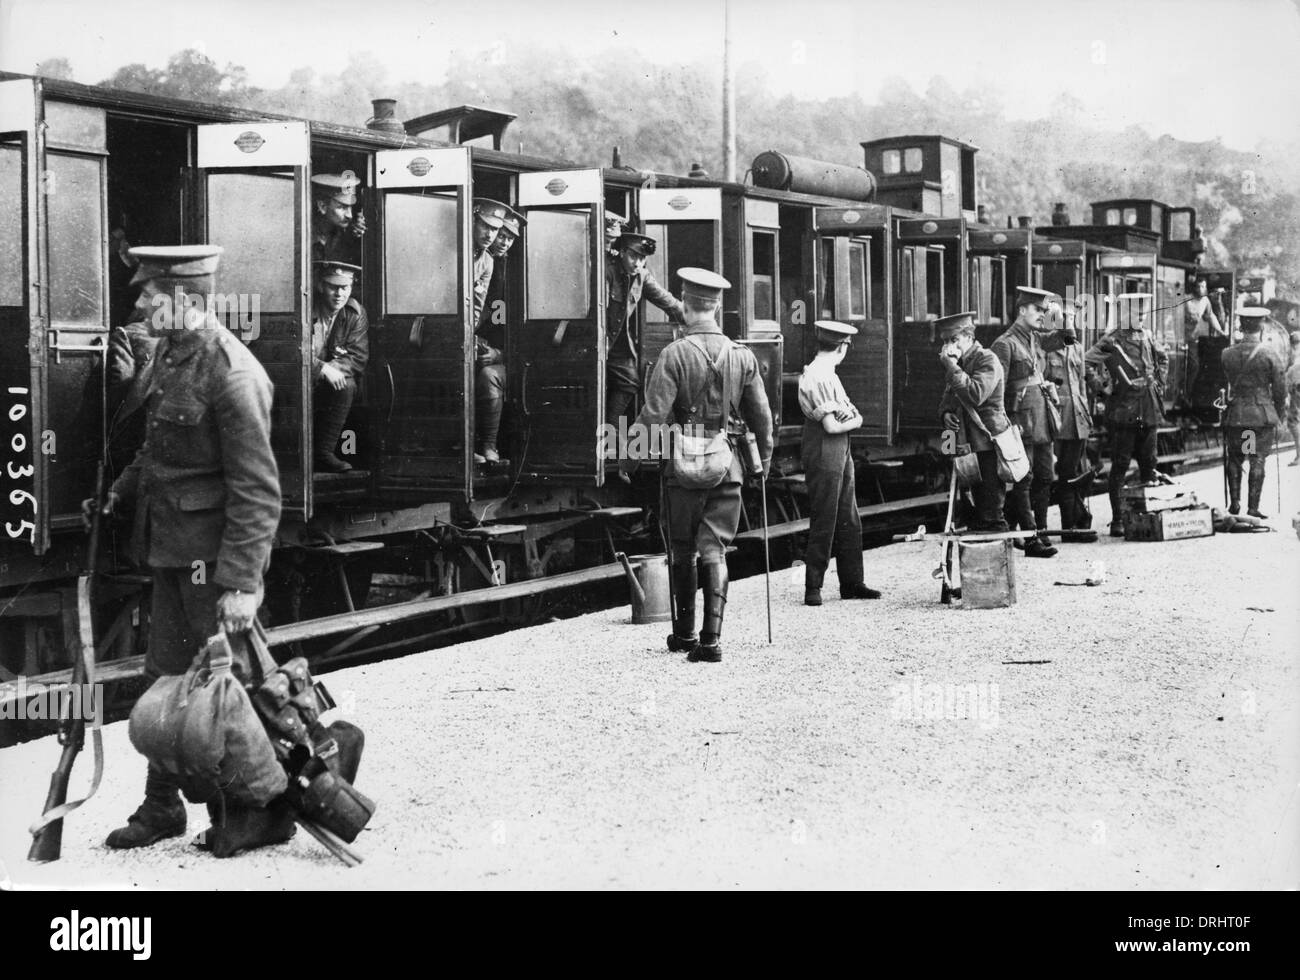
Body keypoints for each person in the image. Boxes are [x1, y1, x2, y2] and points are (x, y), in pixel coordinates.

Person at [84, 245, 284, 852]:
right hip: (172, 550)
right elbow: (159, 453)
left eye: (151, 295)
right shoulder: (173, 355)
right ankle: (162, 806)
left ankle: (260, 808)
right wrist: (117, 494)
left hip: (212, 561)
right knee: (166, 679)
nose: (140, 303)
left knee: (233, 684)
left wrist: (243, 584)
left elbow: (257, 488)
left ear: (189, 300)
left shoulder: (233, 371)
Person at [621, 268, 772, 663]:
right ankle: (711, 641)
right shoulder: (743, 355)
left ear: (685, 306)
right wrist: (765, 462)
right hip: (728, 467)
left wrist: (629, 459)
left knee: (683, 550)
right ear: (718, 307)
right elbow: (763, 420)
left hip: (682, 469)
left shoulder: (674, 354)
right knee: (715, 550)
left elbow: (652, 417)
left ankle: (684, 635)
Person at [798, 320, 881, 606]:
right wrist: (853, 420)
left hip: (837, 447)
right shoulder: (819, 376)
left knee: (848, 515)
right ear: (843, 346)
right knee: (826, 516)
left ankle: (852, 582)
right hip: (824, 446)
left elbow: (849, 417)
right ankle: (813, 587)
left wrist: (850, 418)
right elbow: (834, 426)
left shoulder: (827, 373)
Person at [991, 286, 1070, 558]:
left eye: (1044, 311)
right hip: (1020, 420)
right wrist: (1001, 427)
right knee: (1024, 479)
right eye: (1038, 310)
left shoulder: (1035, 339)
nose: (1042, 316)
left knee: (1046, 476)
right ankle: (1031, 538)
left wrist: (1061, 315)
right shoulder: (1005, 343)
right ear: (1022, 309)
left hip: (1042, 417)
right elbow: (996, 387)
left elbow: (1065, 338)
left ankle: (1039, 532)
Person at [1085, 293, 1169, 536]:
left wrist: (1159, 382)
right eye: (1137, 315)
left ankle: (1145, 518)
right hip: (1123, 409)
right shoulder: (1111, 340)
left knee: (1149, 463)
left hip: (1148, 407)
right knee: (1120, 464)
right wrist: (1103, 386)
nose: (1142, 319)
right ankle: (1118, 519)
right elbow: (1087, 362)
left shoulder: (1148, 336)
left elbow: (1162, 359)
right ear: (1124, 314)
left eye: (1144, 315)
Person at [937, 311, 1011, 533]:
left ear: (969, 337)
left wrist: (951, 367)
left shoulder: (987, 359)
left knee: (990, 505)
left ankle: (999, 551)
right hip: (962, 441)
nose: (949, 346)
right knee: (968, 501)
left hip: (987, 440)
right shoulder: (958, 362)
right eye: (945, 341)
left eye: (954, 340)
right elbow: (946, 400)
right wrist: (945, 414)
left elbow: (975, 394)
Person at [605, 232, 685, 431]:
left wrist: (698, 319)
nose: (638, 263)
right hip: (599, 341)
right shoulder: (607, 271)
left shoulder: (641, 275)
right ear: (622, 252)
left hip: (617, 345)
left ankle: (607, 429)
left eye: (642, 259)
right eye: (634, 257)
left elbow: (668, 301)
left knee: (629, 382)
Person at [1221, 308, 1288, 516]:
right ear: (1261, 326)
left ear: (1241, 325)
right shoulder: (1270, 353)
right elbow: (1280, 389)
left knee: (1235, 458)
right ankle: (1252, 507)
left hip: (1236, 415)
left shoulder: (1227, 353)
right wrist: (1280, 416)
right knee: (1256, 458)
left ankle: (1234, 503)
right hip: (1260, 416)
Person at [1045, 298, 1098, 541]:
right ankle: (1069, 527)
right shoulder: (1046, 348)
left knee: (1076, 471)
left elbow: (1082, 386)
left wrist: (1088, 415)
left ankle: (1074, 523)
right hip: (1058, 418)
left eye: (1072, 317)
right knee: (1063, 472)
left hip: (1077, 417)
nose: (1070, 321)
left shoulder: (1077, 347)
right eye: (1065, 316)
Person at [475, 207, 524, 463]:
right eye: (499, 234)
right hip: (477, 341)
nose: (502, 241)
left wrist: (499, 353)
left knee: (488, 376)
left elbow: (517, 328)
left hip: (501, 352)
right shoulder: (477, 260)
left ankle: (489, 445)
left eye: (509, 237)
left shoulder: (516, 270)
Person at [311, 261, 370, 472]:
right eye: (332, 287)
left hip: (326, 384)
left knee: (347, 385)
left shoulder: (355, 313)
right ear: (320, 286)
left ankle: (324, 453)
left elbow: (357, 356)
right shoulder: (306, 308)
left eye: (344, 288)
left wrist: (332, 369)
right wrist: (322, 369)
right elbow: (294, 350)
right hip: (302, 377)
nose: (339, 294)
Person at [311, 171, 366, 265]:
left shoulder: (346, 237)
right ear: (323, 206)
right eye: (342, 207)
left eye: (350, 207)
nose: (350, 215)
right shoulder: (306, 237)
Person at [471, 198, 509, 331]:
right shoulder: (458, 251)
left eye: (494, 229)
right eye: (485, 226)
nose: (489, 235)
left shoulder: (487, 261)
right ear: (474, 222)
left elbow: (477, 305)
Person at [1183, 278, 1225, 395]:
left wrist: (1220, 331)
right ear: (1194, 288)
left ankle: (1188, 393)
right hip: (1180, 339)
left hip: (1192, 339)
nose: (1201, 289)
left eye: (1203, 286)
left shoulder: (1205, 301)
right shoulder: (1186, 300)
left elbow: (1211, 316)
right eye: (1198, 286)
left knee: (1194, 366)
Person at [1286, 332, 1300, 466]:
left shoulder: (1295, 357)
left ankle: (1299, 455)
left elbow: (1292, 374)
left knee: (1293, 421)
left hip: (1297, 389)